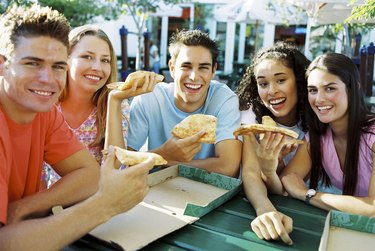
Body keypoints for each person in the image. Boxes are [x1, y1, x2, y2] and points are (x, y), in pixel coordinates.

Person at [0, 5, 154, 250]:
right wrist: (105, 204)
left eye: (57, 66)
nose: (47, 79)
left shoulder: (45, 112)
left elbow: (90, 175)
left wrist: (26, 207)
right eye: (32, 63)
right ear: (2, 65)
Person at [42, 24, 159, 187]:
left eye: (105, 60)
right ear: (66, 58)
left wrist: (114, 102)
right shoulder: (47, 103)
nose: (97, 67)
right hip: (51, 203)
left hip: (99, 199)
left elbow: (115, 167)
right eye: (87, 57)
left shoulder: (118, 103)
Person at [263, 53, 375, 219]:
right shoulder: (317, 139)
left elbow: (372, 209)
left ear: (353, 89)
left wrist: (306, 194)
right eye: (313, 90)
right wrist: (272, 165)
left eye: (330, 88)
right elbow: (286, 185)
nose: (319, 99)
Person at [127, 29, 242, 177]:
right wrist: (164, 153)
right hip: (157, 189)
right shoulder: (150, 97)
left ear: (213, 71)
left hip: (206, 192)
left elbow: (228, 168)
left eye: (203, 68)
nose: (194, 76)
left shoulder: (224, 99)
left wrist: (168, 161)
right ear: (172, 68)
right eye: (186, 66)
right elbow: (125, 161)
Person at [236, 42, 310, 245]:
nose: (272, 91)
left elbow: (288, 185)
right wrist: (265, 209)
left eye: (281, 80)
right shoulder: (250, 119)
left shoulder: (315, 121)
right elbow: (250, 173)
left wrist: (271, 171)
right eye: (263, 83)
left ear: (298, 80)